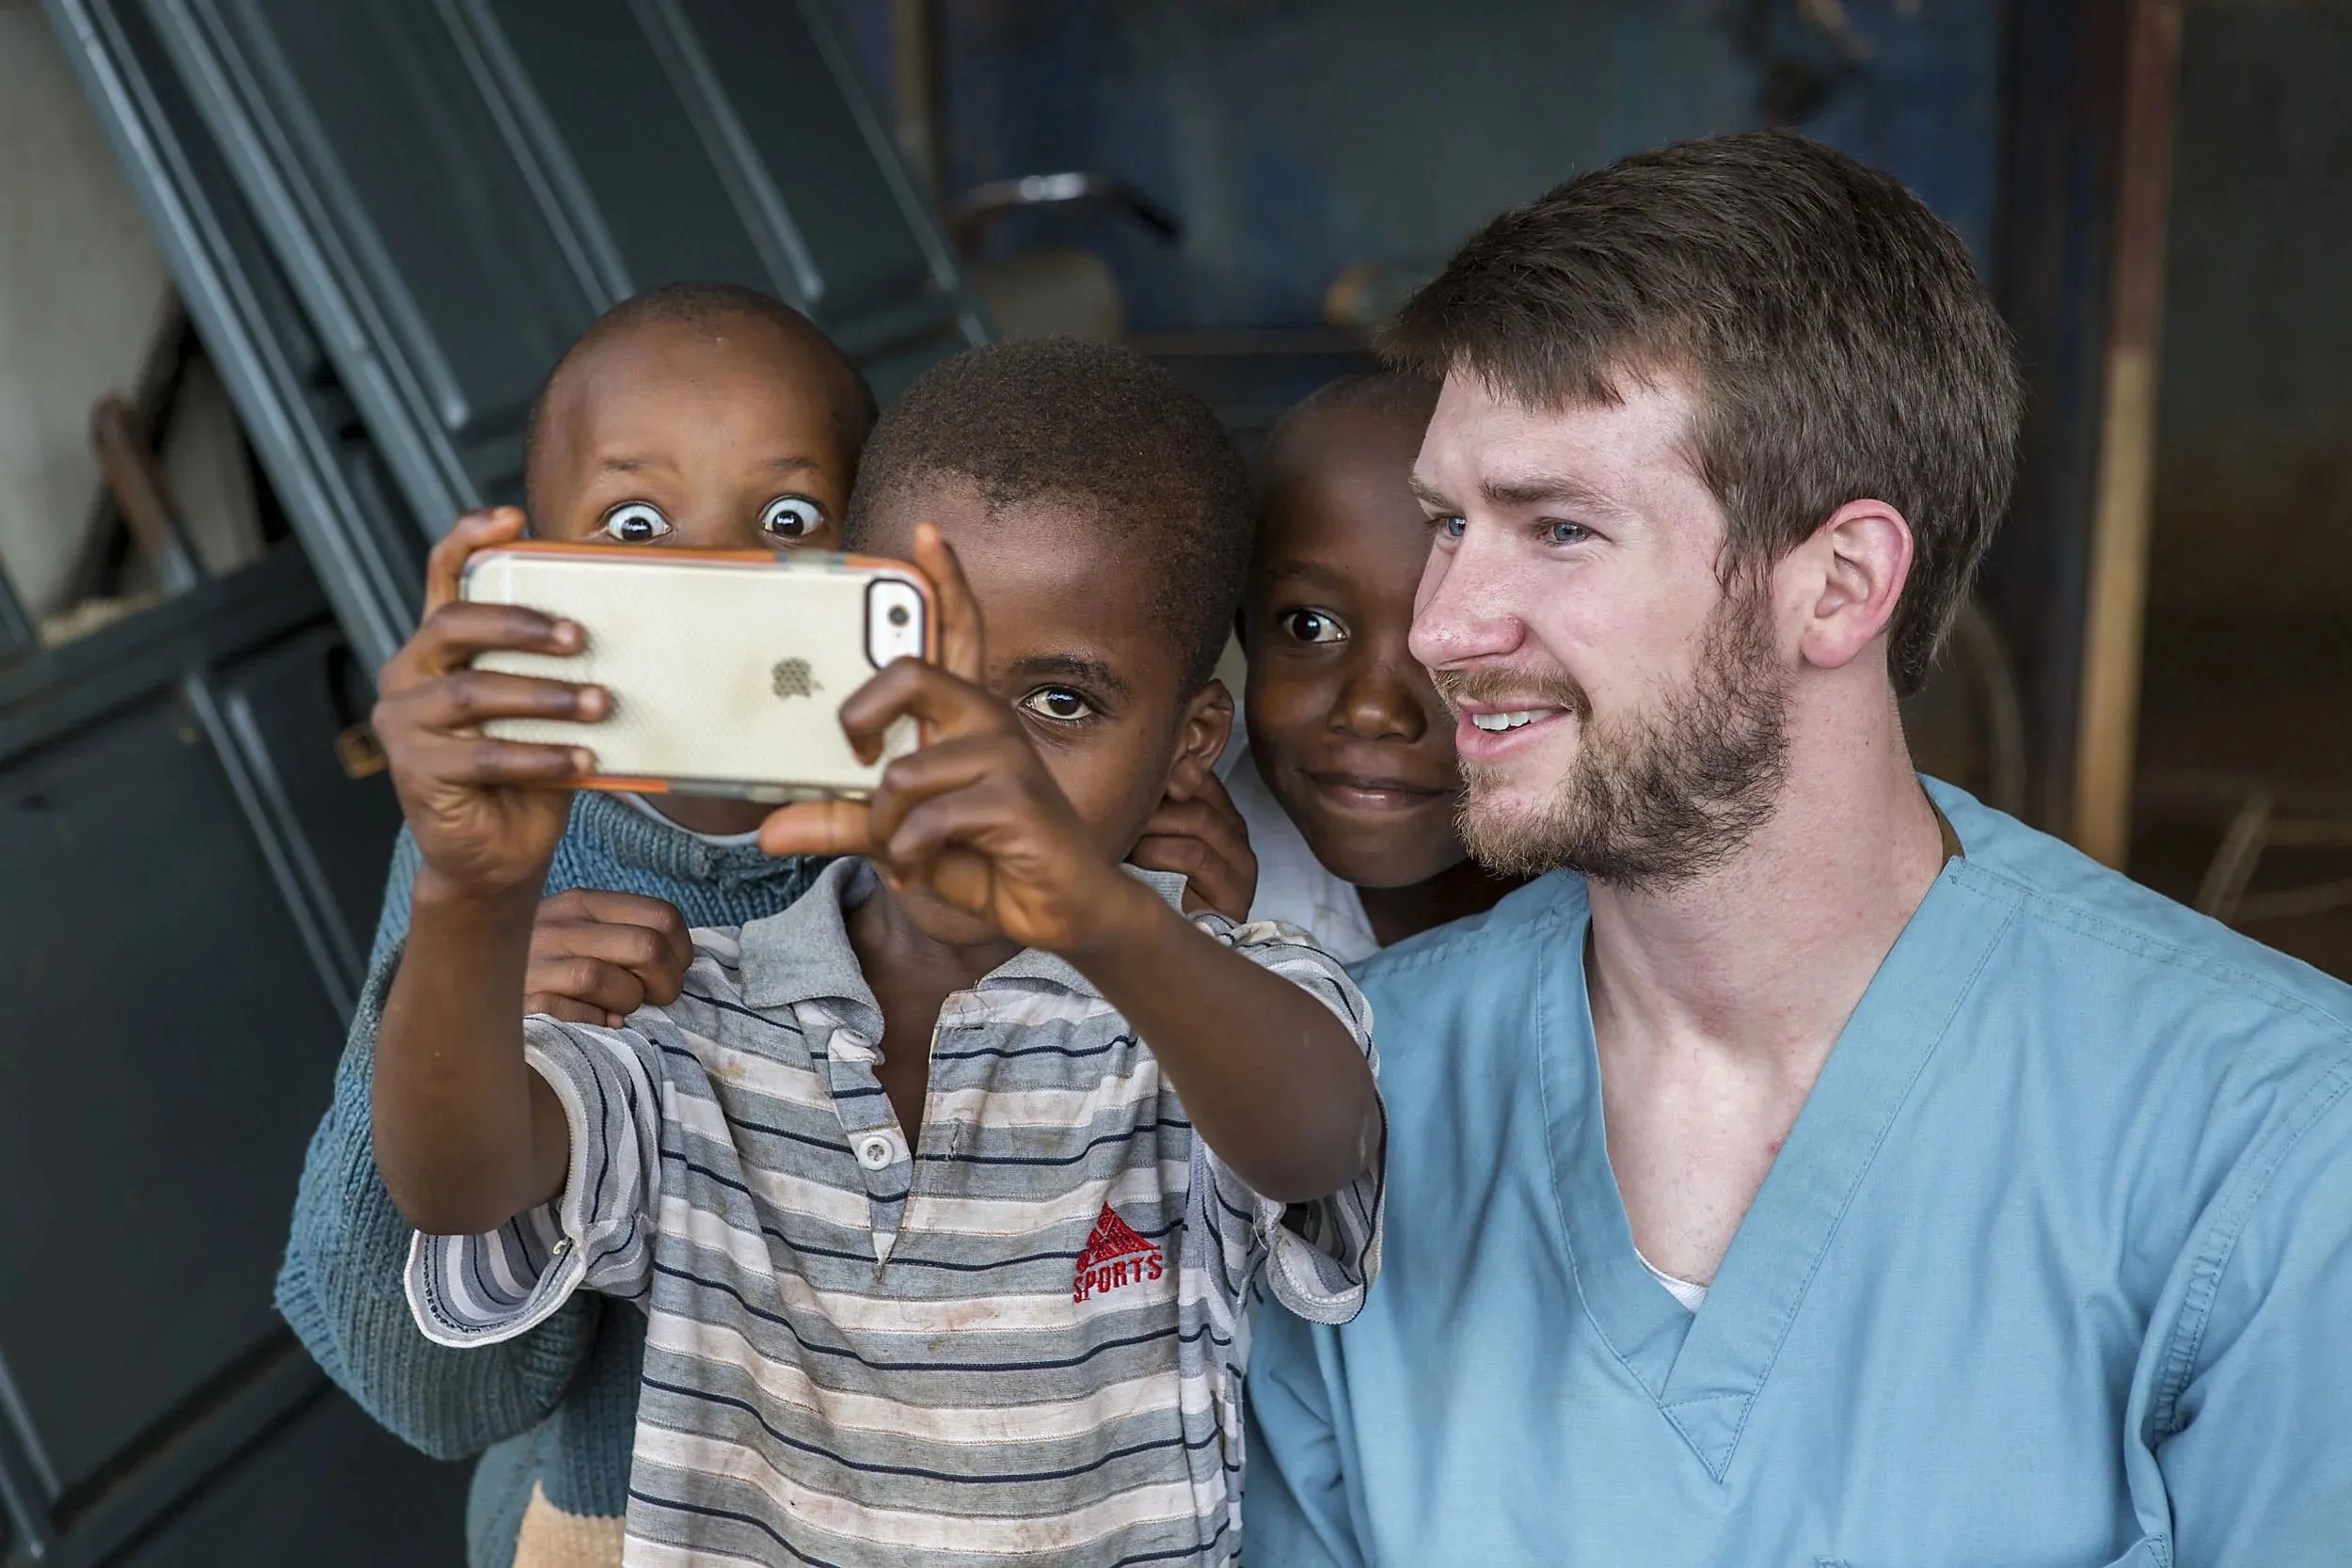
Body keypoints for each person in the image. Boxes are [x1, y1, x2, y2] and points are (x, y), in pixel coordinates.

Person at [1245, 130, 2352, 1566]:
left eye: (1561, 528)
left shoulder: (2262, 1134)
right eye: (1453, 521)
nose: (1448, 623)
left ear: (1838, 585)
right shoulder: (1345, 1089)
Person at [371, 340, 1384, 1566]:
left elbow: (1319, 1136)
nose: (975, 765)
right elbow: (462, 1182)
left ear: (1187, 743)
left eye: (1059, 702)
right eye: (917, 681)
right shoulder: (696, 1004)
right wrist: (469, 896)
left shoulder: (1209, 1012)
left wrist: (1097, 909)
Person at [277, 281, 879, 1567]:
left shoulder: (931, 832)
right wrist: (461, 948)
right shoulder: (492, 851)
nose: (714, 578)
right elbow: (427, 1390)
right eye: (637, 520)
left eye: (786, 516)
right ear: (536, 563)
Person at [1223, 371, 1518, 961]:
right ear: (1245, 631)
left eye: (1456, 635)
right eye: (1311, 626)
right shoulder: (1137, 872)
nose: (1373, 711)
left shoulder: (1646, 910)